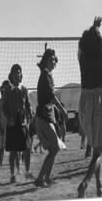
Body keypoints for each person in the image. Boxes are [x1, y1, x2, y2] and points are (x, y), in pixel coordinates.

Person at [77, 17, 102, 198]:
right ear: (99, 44)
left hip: (84, 101)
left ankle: (99, 187)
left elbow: (80, 47)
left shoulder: (82, 59)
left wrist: (93, 28)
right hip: (99, 99)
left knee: (96, 147)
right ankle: (85, 183)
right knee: (98, 151)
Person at [34, 49, 67, 188]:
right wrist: (63, 110)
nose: (55, 61)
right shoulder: (46, 75)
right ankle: (41, 178)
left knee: (55, 148)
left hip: (46, 116)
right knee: (54, 148)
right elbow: (52, 98)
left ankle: (45, 177)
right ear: (47, 60)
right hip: (44, 116)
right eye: (52, 59)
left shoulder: (46, 75)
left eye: (55, 59)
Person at [1, 64, 34, 183]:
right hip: (12, 124)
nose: (18, 75)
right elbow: (4, 107)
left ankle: (27, 172)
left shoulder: (24, 89)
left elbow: (28, 104)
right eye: (16, 73)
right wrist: (9, 117)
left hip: (23, 123)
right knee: (13, 151)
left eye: (19, 72)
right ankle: (12, 175)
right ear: (12, 75)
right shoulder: (8, 90)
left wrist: (30, 111)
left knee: (27, 148)